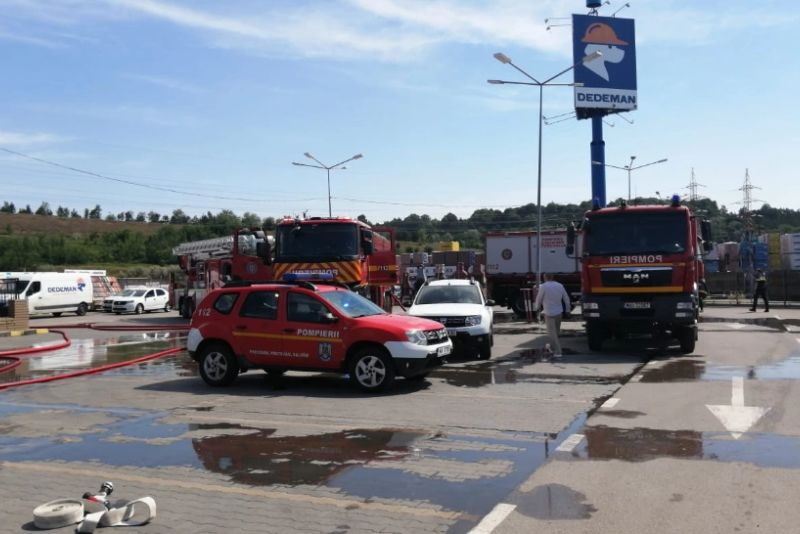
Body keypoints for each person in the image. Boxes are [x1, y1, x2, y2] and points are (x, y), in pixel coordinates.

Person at [534, 273, 571, 359]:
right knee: (556, 333)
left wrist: (536, 308)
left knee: (552, 334)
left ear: (545, 277)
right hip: (559, 312)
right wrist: (568, 310)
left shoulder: (543, 286)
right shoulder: (560, 285)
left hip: (549, 313)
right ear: (553, 277)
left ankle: (558, 352)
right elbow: (566, 298)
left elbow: (539, 298)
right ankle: (550, 346)